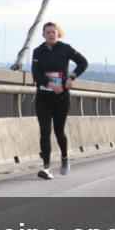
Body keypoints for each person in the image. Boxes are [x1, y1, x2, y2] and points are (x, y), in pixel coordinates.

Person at [31, 22, 88, 180]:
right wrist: (50, 84)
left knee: (59, 131)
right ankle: (47, 167)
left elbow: (83, 62)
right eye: (48, 32)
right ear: (43, 35)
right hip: (43, 96)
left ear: (58, 34)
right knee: (44, 131)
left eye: (53, 32)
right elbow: (36, 74)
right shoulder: (38, 52)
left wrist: (72, 77)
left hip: (61, 97)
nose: (51, 34)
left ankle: (64, 157)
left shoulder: (65, 48)